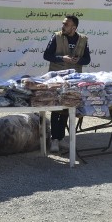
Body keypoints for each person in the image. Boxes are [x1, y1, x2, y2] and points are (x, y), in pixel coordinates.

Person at [43, 15, 91, 152]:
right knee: (56, 108)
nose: (63, 26)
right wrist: (61, 58)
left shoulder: (83, 39)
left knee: (68, 106)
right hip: (57, 78)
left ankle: (61, 138)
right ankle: (54, 139)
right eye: (63, 24)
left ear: (74, 28)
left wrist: (78, 60)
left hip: (73, 80)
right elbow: (46, 55)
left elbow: (87, 59)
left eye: (66, 24)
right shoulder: (56, 37)